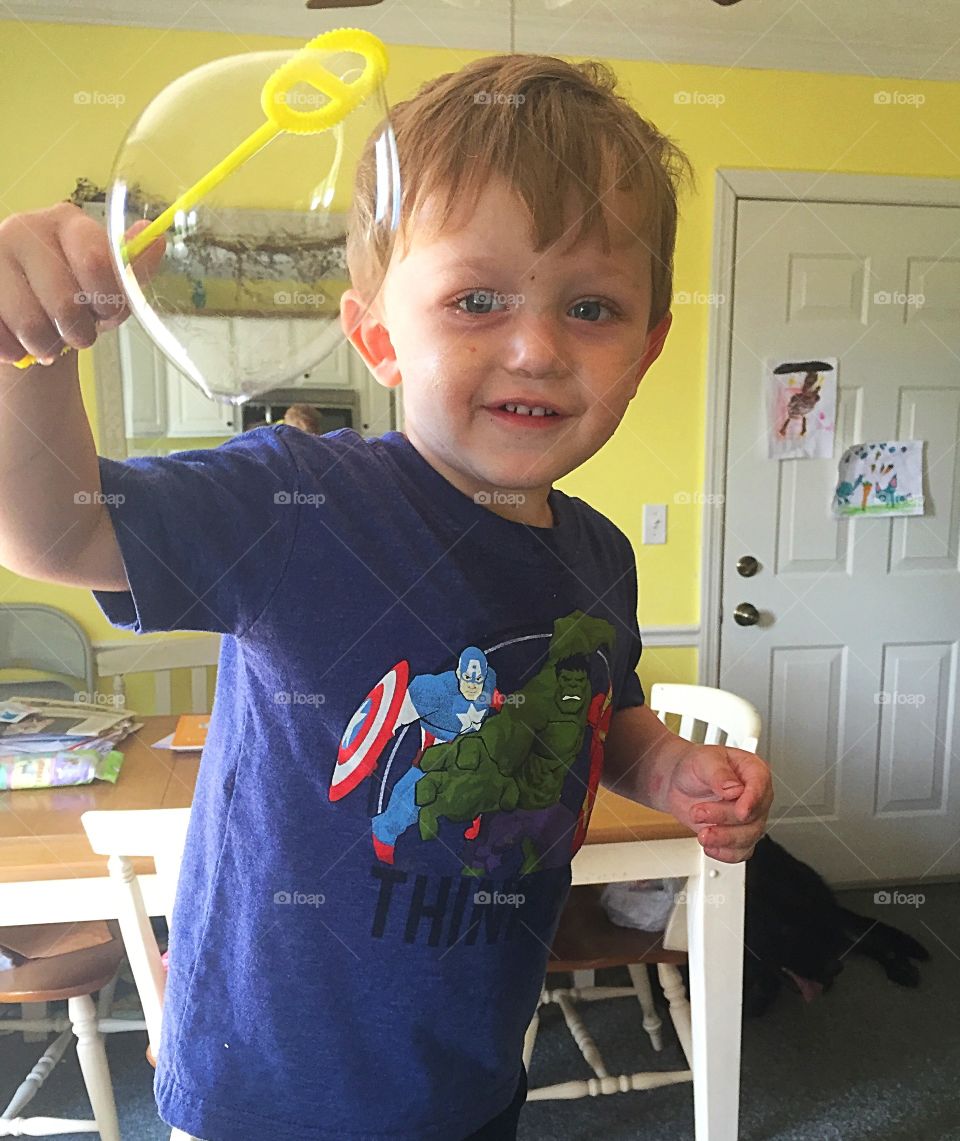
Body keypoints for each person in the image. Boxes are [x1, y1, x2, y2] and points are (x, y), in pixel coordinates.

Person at [0, 51, 773, 1141]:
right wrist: (23, 355)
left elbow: (606, 717)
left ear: (648, 350)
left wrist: (666, 766)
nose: (537, 347)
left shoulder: (599, 556)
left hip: (470, 1075)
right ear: (377, 335)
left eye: (592, 306)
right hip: (268, 1093)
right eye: (476, 299)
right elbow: (57, 530)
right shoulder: (298, 498)